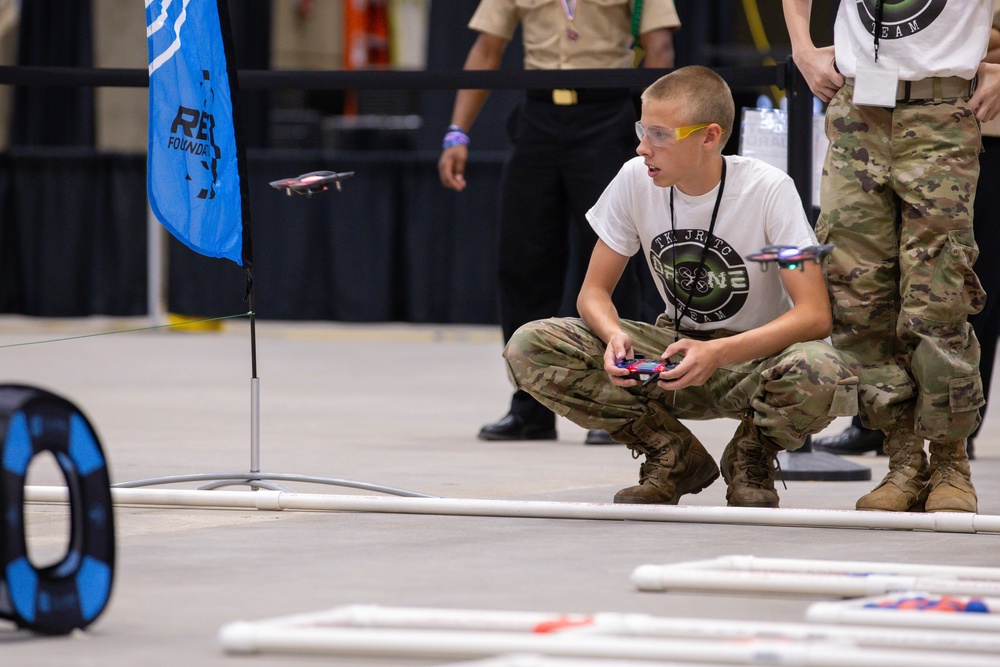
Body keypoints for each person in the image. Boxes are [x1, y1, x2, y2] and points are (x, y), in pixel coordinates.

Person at [504, 66, 859, 508]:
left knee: (822, 368)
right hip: (673, 350)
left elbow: (813, 314)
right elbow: (593, 293)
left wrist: (719, 353)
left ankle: (752, 455)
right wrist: (614, 336)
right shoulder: (635, 179)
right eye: (641, 130)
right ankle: (671, 454)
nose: (642, 147)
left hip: (753, 360)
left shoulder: (769, 189)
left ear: (709, 136)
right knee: (531, 343)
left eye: (658, 134)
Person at [782, 0, 1000, 513]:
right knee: (857, 300)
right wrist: (801, 49)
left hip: (942, 113)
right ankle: (902, 459)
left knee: (938, 297)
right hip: (857, 109)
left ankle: (950, 461)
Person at [438, 0, 680, 445]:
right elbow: (488, 49)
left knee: (615, 263)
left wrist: (651, 133)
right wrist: (458, 131)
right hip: (537, 117)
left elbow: (659, 48)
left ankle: (620, 401)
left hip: (606, 114)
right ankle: (530, 404)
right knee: (523, 262)